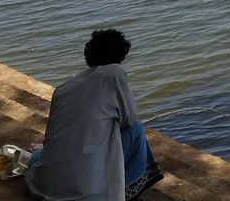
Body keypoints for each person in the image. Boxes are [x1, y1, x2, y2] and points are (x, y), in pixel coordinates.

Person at [26, 29, 164, 201]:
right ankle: (126, 190)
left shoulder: (64, 88)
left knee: (38, 156)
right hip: (90, 193)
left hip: (42, 186)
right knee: (136, 128)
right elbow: (127, 119)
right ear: (120, 56)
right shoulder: (113, 74)